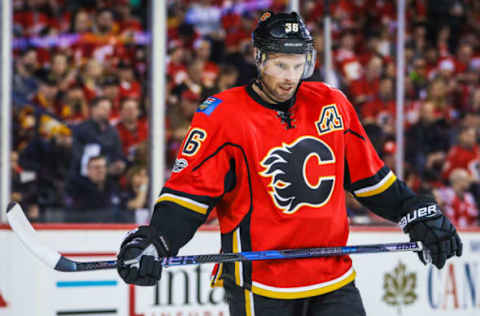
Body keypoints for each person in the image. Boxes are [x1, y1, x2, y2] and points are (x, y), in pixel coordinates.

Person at [116, 12, 462, 316]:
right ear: (259, 59)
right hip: (263, 284)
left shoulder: (331, 103)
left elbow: (369, 178)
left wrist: (412, 210)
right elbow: (189, 195)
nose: (290, 77)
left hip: (332, 277)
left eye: (299, 65)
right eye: (280, 64)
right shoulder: (222, 114)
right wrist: (158, 239)